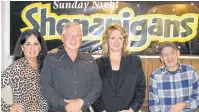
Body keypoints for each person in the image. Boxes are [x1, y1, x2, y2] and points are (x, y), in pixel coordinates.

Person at [40, 22, 102, 112]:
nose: (73, 39)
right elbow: (46, 87)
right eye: (69, 35)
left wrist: (82, 102)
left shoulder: (90, 60)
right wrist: (67, 106)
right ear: (62, 37)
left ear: (81, 39)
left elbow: (97, 86)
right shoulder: (51, 59)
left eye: (77, 35)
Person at [92, 24, 146, 112]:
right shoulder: (98, 63)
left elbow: (140, 89)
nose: (117, 41)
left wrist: (131, 110)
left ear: (124, 41)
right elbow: (94, 91)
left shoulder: (135, 61)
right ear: (107, 40)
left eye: (120, 38)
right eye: (113, 38)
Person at [1, 29, 49, 112]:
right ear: (22, 48)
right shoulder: (17, 67)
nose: (32, 48)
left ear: (40, 47)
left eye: (36, 44)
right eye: (28, 44)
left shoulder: (44, 65)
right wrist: (7, 108)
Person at [149, 42, 199, 112]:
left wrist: (184, 104)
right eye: (165, 55)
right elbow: (153, 106)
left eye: (172, 53)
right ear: (161, 59)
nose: (169, 57)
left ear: (178, 53)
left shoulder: (191, 71)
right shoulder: (155, 76)